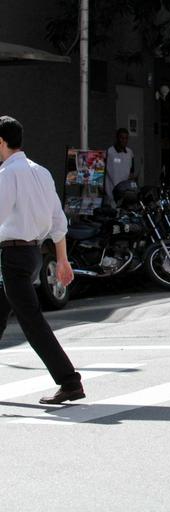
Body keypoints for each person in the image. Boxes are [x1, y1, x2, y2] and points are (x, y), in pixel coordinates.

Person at [0, 116, 84, 404]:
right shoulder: (41, 172)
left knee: (31, 321)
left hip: (12, 254)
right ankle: (69, 381)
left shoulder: (8, 174)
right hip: (33, 253)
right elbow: (57, 221)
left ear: (1, 141)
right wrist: (62, 260)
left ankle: (70, 381)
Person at [105, 128, 135, 205]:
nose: (124, 140)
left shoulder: (130, 152)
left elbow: (132, 170)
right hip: (112, 191)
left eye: (126, 138)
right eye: (122, 138)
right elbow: (103, 169)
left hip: (125, 192)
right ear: (117, 138)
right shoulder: (110, 151)